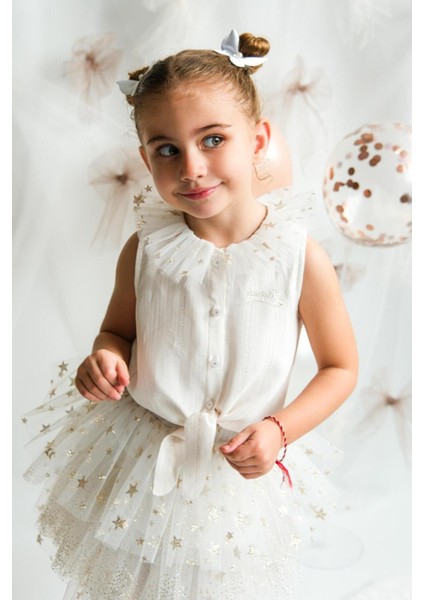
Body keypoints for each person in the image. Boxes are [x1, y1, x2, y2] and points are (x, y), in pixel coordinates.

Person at [23, 29, 358, 600]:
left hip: (235, 467)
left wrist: (279, 431)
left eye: (213, 139)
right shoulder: (146, 249)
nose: (192, 167)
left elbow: (340, 368)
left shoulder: (299, 257)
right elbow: (117, 331)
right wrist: (105, 357)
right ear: (144, 158)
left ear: (258, 139)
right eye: (167, 149)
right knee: (136, 584)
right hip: (144, 455)